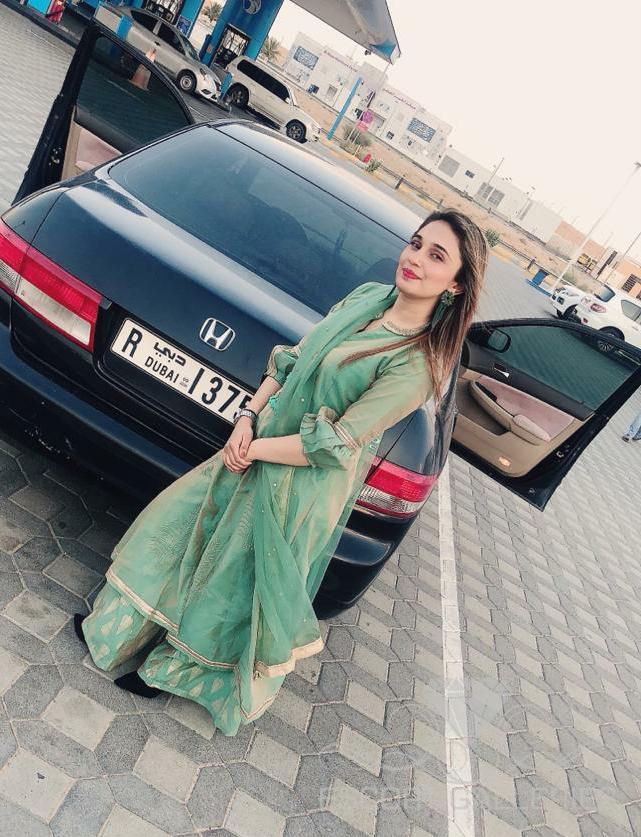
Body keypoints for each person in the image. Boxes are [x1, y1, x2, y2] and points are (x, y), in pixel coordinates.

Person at [73, 209, 488, 736]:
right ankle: (118, 635)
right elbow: (293, 360)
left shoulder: (417, 365)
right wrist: (247, 416)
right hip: (258, 442)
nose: (416, 259)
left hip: (300, 483)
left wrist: (257, 448)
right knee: (181, 531)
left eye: (437, 256)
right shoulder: (367, 298)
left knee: (232, 580)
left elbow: (335, 443)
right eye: (416, 243)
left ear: (455, 285)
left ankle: (171, 673)